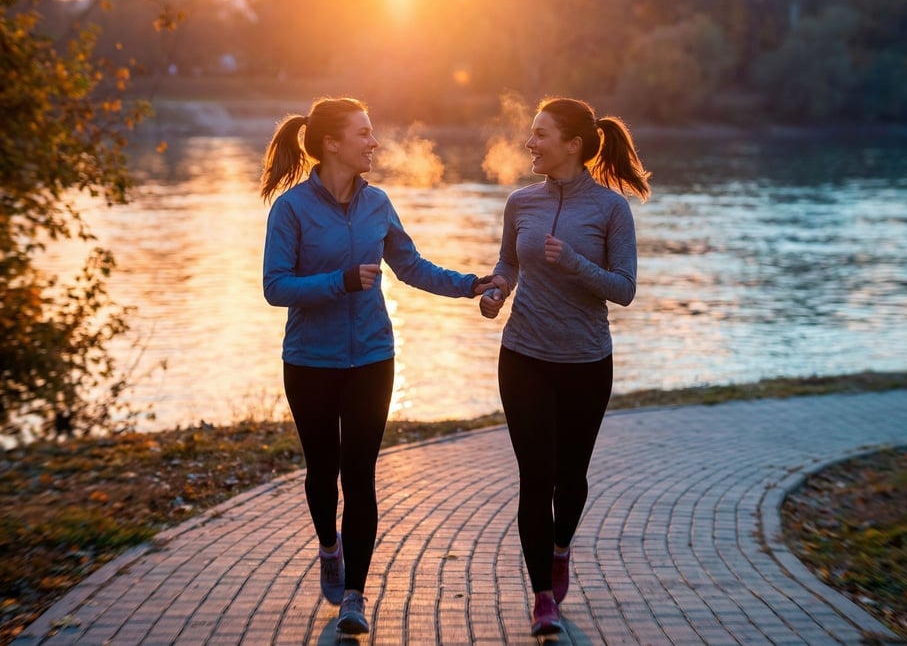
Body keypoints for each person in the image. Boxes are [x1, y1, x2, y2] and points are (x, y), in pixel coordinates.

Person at [260, 96, 495, 635]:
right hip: (310, 361)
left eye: (373, 132)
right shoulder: (291, 209)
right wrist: (338, 282)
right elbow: (275, 288)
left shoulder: (378, 203)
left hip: (371, 358)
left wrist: (468, 285)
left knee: (359, 475)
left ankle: (354, 596)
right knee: (322, 472)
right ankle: (328, 545)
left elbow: (410, 266)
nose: (374, 142)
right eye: (363, 133)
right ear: (331, 144)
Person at [479, 96, 651, 636]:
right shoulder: (520, 203)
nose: (530, 142)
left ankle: (560, 550)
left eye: (540, 134)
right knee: (535, 478)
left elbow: (624, 289)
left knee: (569, 477)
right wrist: (497, 290)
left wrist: (574, 263)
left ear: (572, 145)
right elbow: (508, 261)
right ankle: (542, 598)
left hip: (584, 362)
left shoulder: (610, 209)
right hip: (523, 355)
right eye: (531, 133)